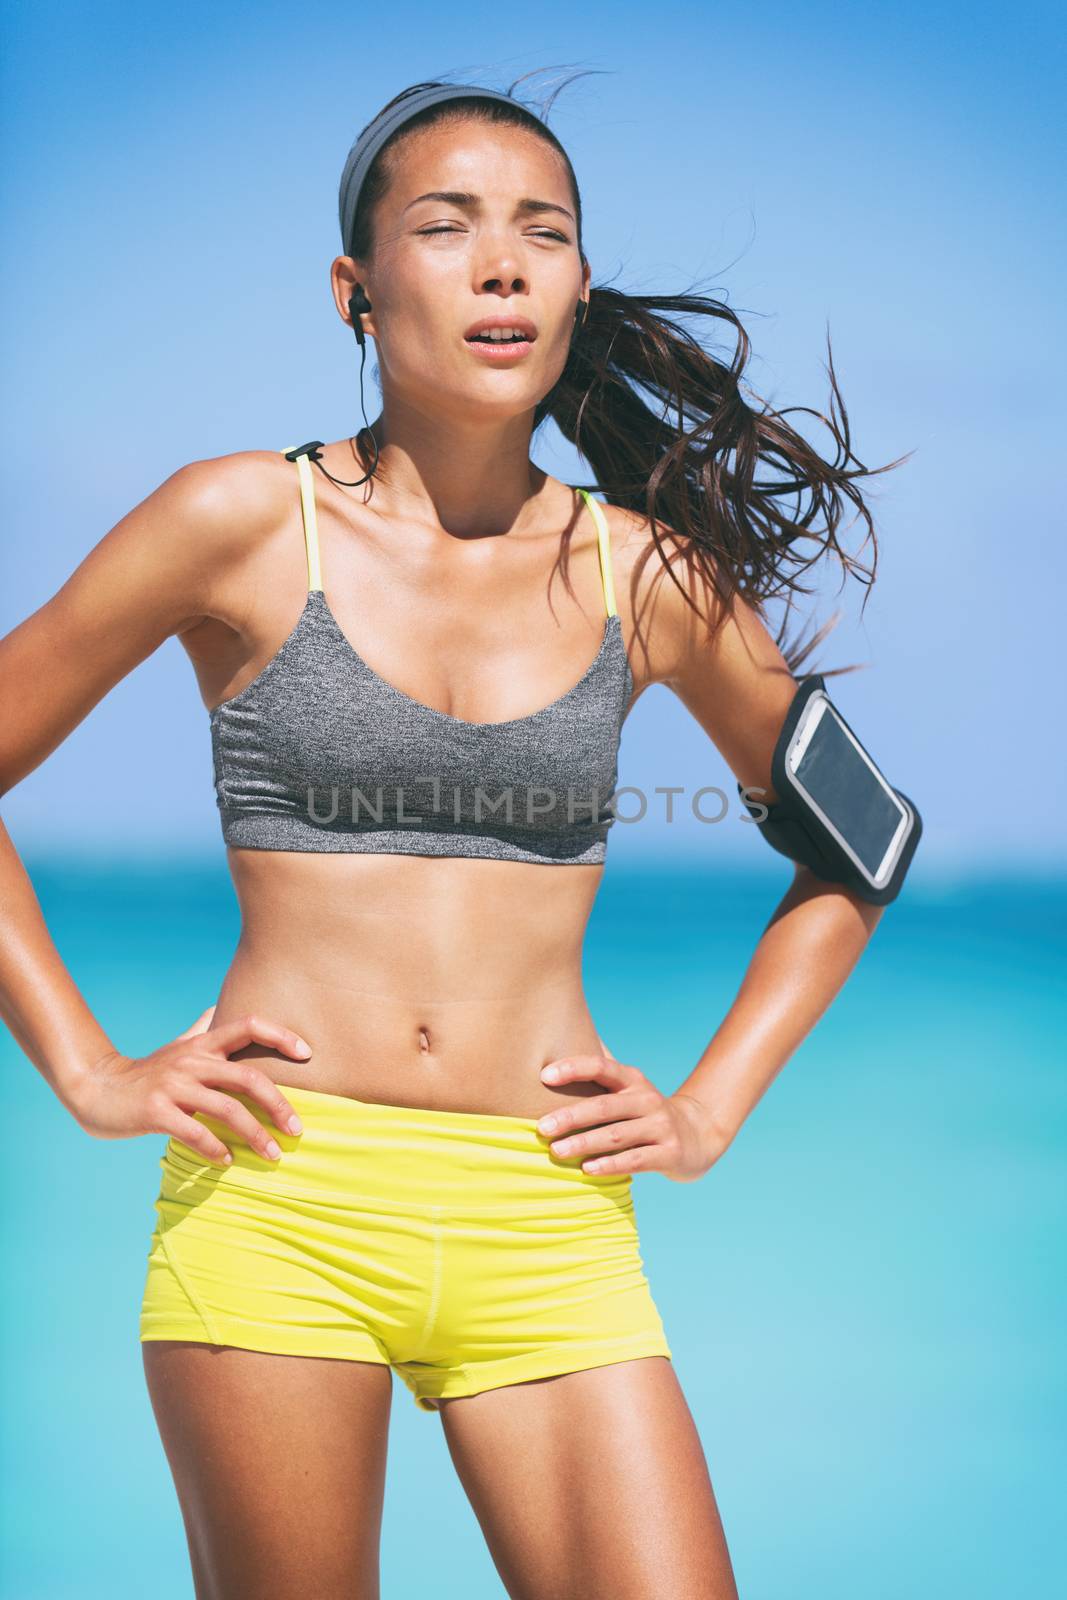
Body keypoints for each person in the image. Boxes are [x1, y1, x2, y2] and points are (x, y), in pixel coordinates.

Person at [0, 72, 914, 1600]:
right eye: (448, 225)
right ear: (356, 292)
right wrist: (89, 1072)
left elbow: (861, 850)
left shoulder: (652, 577)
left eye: (542, 233)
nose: (502, 263)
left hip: (551, 1215)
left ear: (571, 288)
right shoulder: (237, 520)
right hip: (279, 1197)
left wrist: (704, 1111)